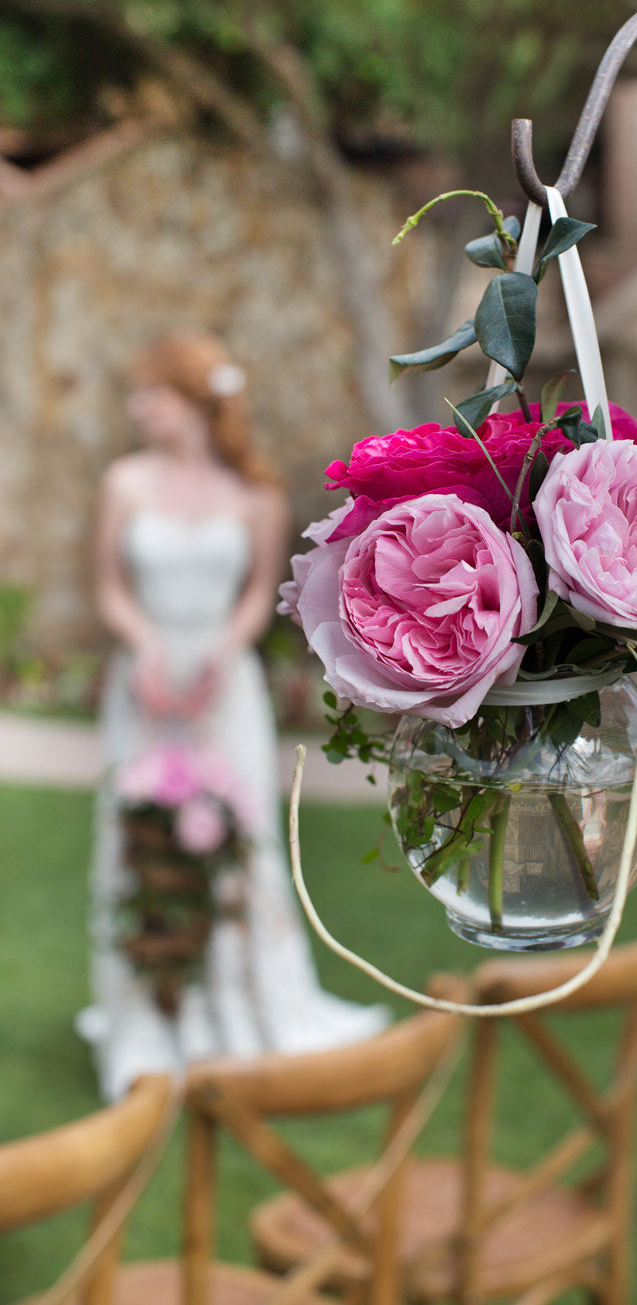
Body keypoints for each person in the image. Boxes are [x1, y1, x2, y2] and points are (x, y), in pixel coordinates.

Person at [78, 330, 388, 1101]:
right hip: (144, 683)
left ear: (192, 402)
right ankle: (149, 1010)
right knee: (136, 834)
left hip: (224, 687)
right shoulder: (124, 481)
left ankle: (244, 1005)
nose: (137, 405)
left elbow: (258, 597)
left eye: (151, 391)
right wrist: (145, 643)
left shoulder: (256, 492)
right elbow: (108, 584)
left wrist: (223, 650)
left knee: (235, 836)